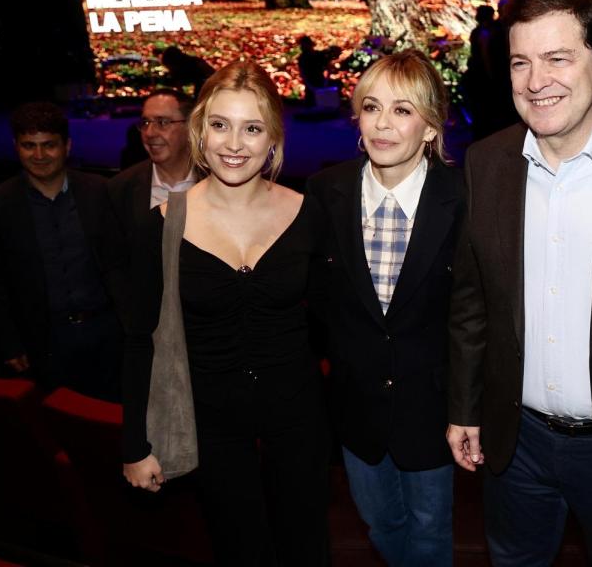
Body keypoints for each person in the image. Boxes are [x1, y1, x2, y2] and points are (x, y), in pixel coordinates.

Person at [121, 60, 329, 566]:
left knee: (307, 548)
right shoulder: (162, 225)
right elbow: (138, 339)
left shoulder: (308, 213)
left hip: (299, 418)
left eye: (252, 128)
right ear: (200, 131)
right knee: (240, 549)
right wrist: (135, 444)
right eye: (220, 125)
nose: (234, 143)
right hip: (209, 422)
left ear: (273, 138)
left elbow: (330, 324)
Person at [447, 0, 592, 564]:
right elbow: (473, 303)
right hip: (516, 443)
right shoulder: (485, 162)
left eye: (558, 59)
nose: (535, 81)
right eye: (520, 62)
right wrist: (465, 406)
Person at [307, 48, 464, 567]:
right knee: (382, 523)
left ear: (429, 127)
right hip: (355, 408)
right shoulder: (326, 191)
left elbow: (475, 314)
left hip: (433, 409)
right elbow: (314, 304)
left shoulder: (462, 197)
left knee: (430, 529)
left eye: (402, 110)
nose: (383, 124)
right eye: (372, 107)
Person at [0, 102, 127, 401]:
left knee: (112, 424)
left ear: (67, 146)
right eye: (29, 146)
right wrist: (9, 343)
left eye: (48, 145)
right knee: (55, 427)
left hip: (106, 334)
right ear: (16, 147)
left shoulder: (101, 191)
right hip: (42, 340)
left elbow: (122, 263)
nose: (39, 155)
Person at [108, 88, 197, 244]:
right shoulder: (120, 189)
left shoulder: (218, 181)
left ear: (190, 127)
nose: (149, 133)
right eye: (145, 122)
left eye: (162, 122)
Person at [297, 35, 342, 107]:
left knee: (323, 104)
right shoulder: (303, 58)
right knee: (312, 105)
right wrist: (310, 85)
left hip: (319, 82)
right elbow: (303, 72)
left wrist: (326, 81)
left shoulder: (317, 55)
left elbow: (328, 66)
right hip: (312, 85)